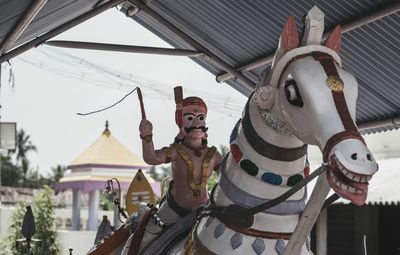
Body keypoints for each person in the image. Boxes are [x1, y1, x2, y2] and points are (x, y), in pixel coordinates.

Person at [139, 86, 222, 221]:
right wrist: (146, 136)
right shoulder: (176, 151)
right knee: (150, 236)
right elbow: (152, 158)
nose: (196, 123)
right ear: (181, 123)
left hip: (203, 212)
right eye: (190, 118)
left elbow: (228, 175)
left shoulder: (214, 155)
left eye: (201, 118)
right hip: (173, 211)